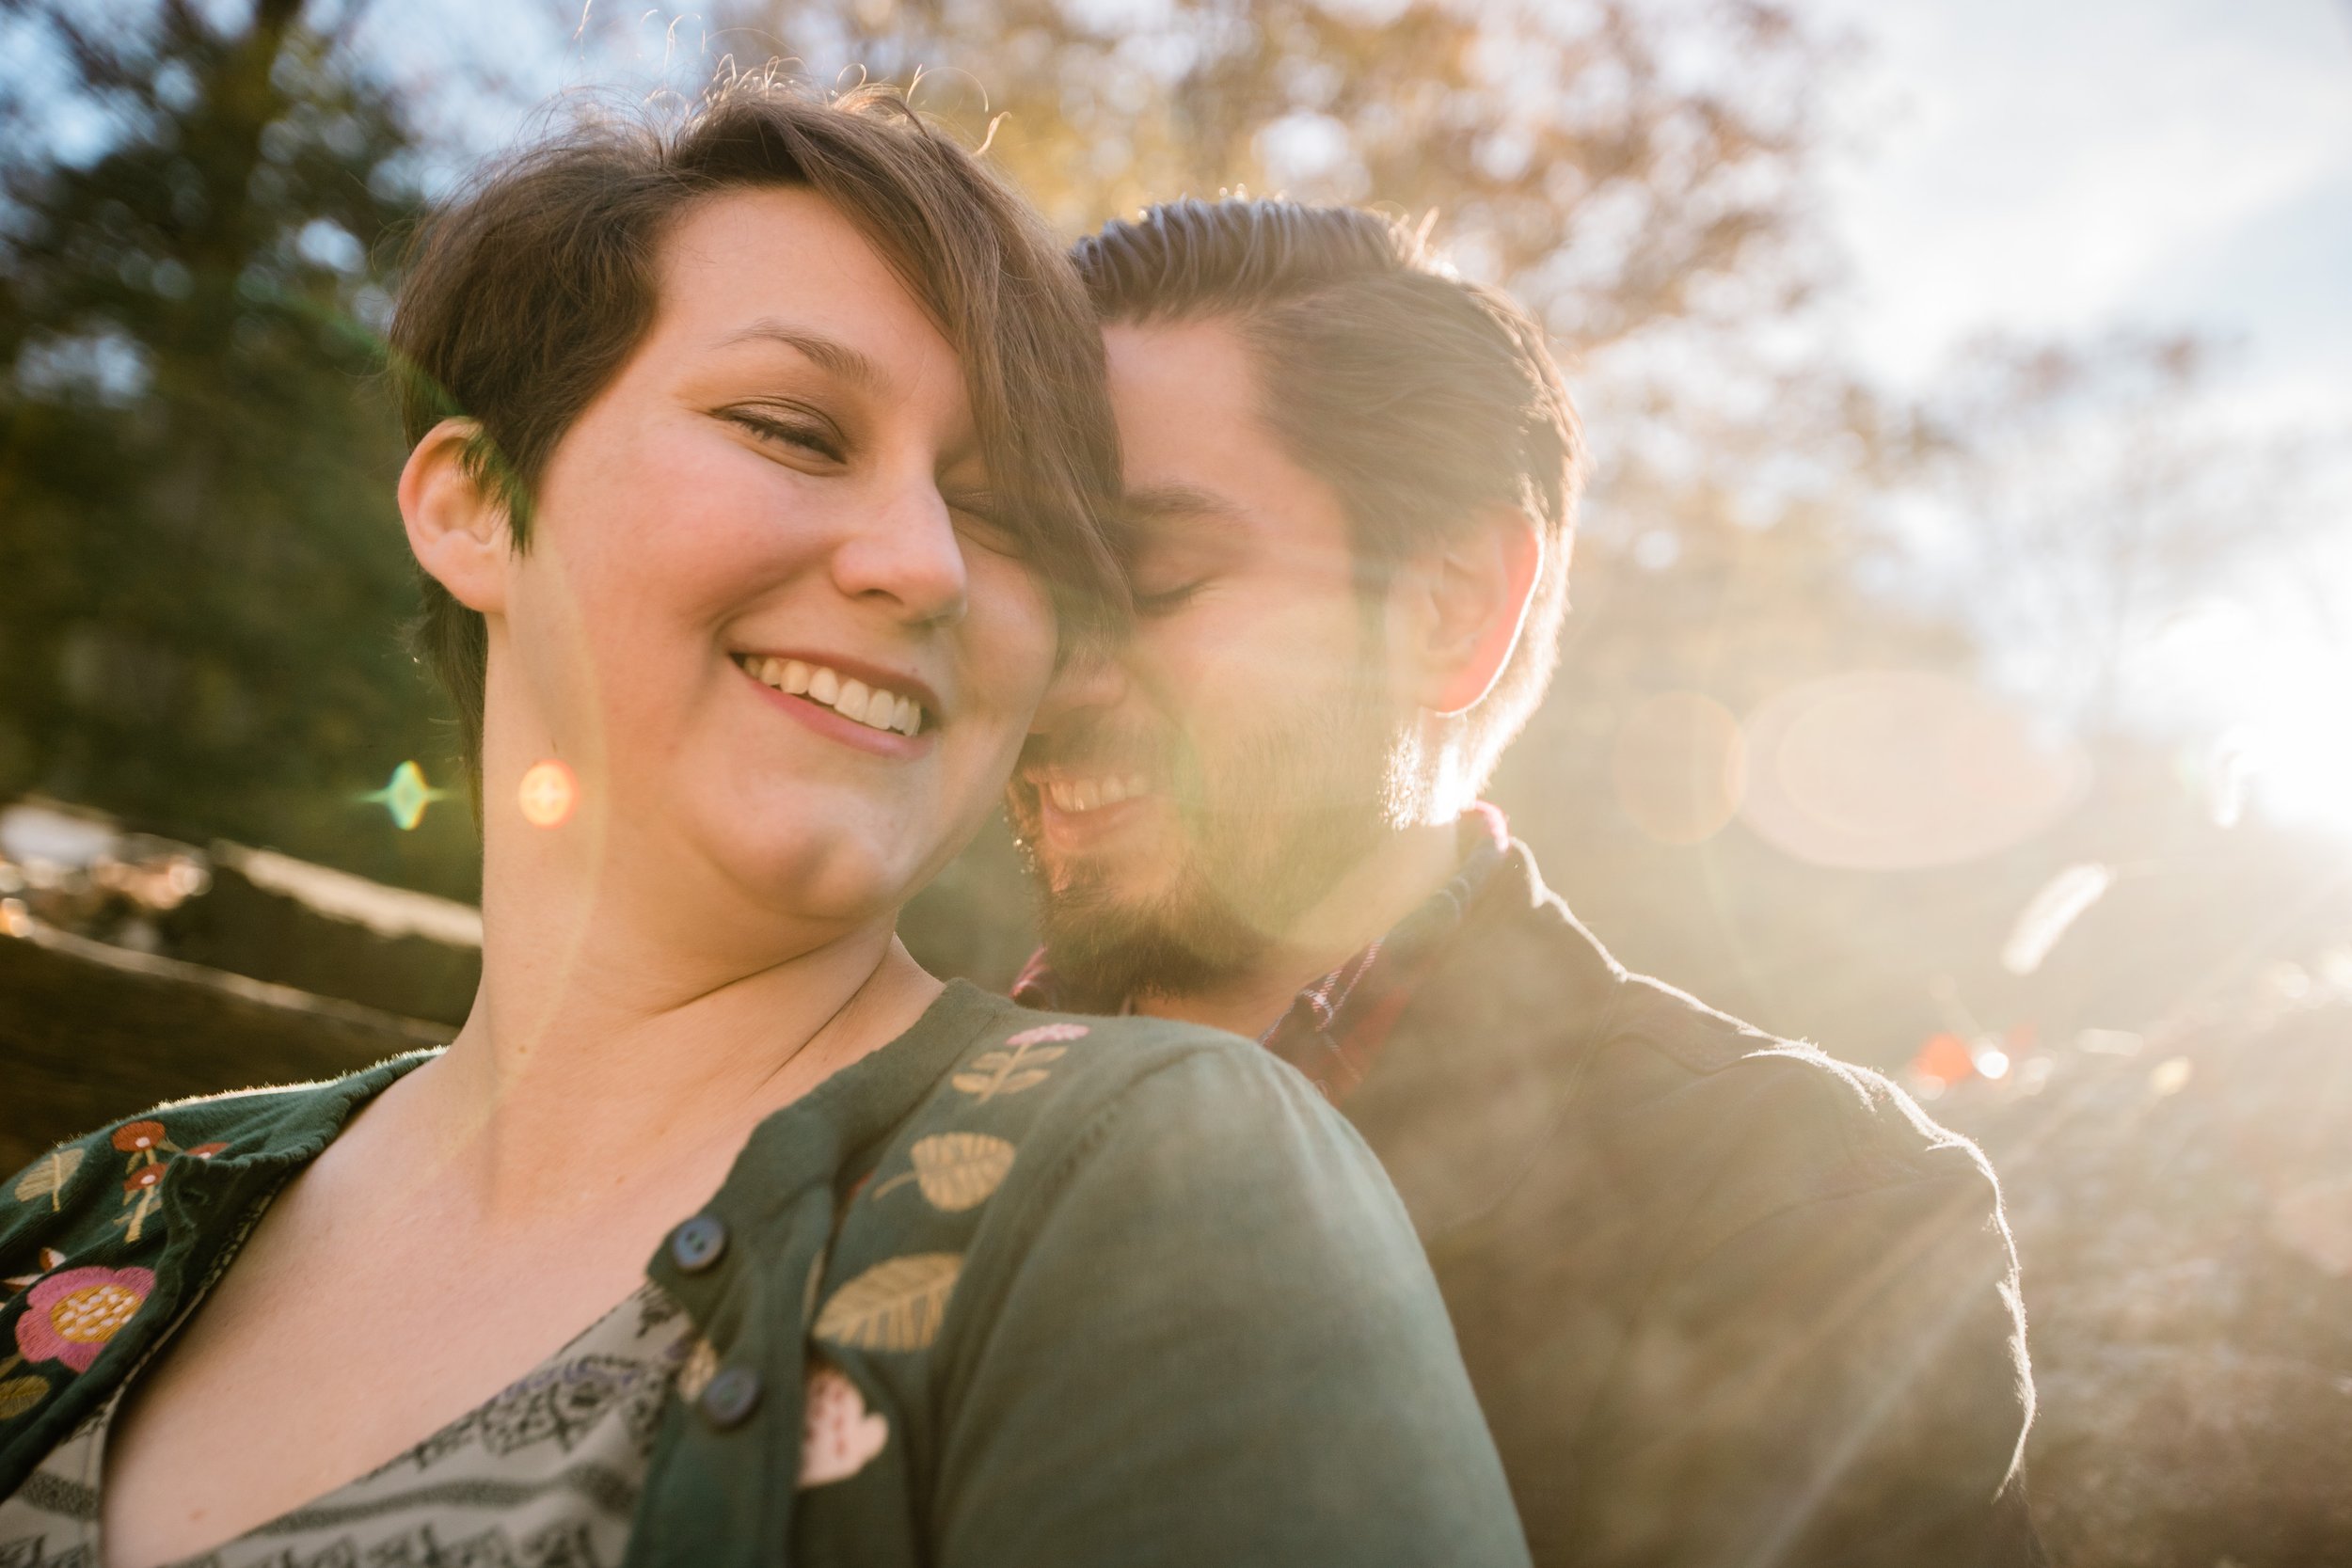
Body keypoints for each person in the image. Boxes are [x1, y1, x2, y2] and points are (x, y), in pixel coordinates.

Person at [0, 91, 1532, 1568]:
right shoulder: (93, 1212)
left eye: (999, 517)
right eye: (795, 430)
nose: (923, 562)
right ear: (476, 500)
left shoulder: (1154, 1176)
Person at [1010, 197, 2045, 1567]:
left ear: (1449, 608)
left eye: (1151, 577)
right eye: (1025, 581)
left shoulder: (1812, 1216)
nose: (1048, 671)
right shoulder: (836, 1108)